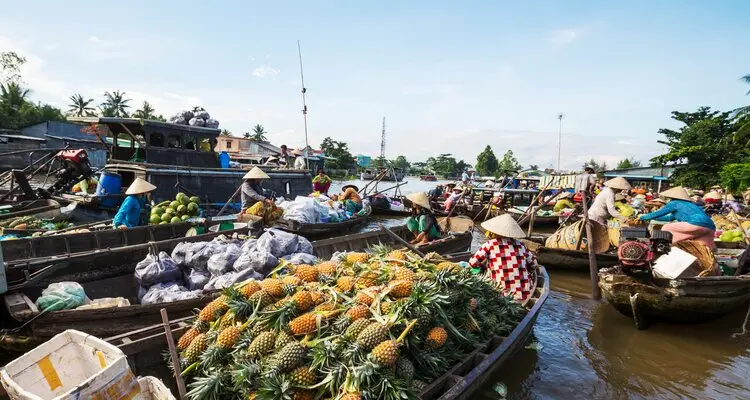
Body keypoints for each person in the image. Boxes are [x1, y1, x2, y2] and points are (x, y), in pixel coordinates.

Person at [469, 214, 536, 302]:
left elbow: (472, 263)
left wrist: (483, 267)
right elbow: (534, 264)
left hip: (500, 295)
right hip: (523, 295)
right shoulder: (520, 244)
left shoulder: (491, 244)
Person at [639, 186, 716, 249]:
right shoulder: (690, 204)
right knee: (705, 249)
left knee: (667, 227)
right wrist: (651, 218)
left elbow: (660, 213)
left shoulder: (674, 203)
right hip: (710, 227)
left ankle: (664, 249)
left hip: (695, 224)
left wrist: (643, 217)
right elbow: (670, 218)